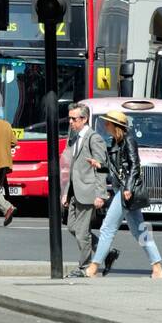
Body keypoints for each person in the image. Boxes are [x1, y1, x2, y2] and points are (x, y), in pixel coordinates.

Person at [85, 110, 162, 280]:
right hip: (122, 190)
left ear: (116, 125)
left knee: (107, 228)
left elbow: (135, 166)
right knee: (140, 230)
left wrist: (128, 188)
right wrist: (100, 165)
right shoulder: (116, 141)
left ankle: (93, 267)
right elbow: (116, 168)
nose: (105, 125)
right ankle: (157, 267)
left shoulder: (128, 141)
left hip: (125, 191)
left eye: (107, 123)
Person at [61, 103, 110, 278]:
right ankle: (107, 252)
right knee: (73, 228)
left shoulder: (94, 138)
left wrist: (100, 194)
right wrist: (66, 192)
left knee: (82, 233)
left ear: (85, 119)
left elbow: (101, 168)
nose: (71, 122)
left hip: (88, 191)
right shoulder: (75, 137)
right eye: (69, 118)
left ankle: (85, 267)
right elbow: (73, 167)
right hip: (75, 190)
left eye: (74, 119)